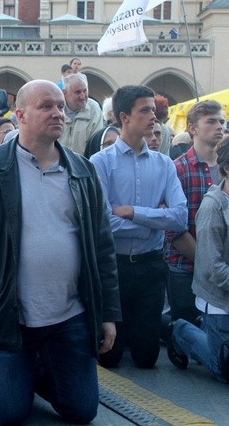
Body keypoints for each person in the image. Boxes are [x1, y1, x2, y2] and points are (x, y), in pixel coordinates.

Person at [0, 79, 120, 425]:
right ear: (20, 115)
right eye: (46, 106)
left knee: (82, 410)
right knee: (11, 414)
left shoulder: (83, 171)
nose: (58, 112)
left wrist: (107, 314)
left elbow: (102, 249)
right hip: (10, 315)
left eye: (60, 106)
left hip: (69, 315)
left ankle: (26, 375)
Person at [90, 85, 187, 369]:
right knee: (109, 357)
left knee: (147, 358)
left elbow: (180, 218)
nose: (153, 117)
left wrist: (134, 212)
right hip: (113, 267)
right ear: (124, 117)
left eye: (154, 111)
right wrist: (154, 221)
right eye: (144, 110)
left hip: (150, 267)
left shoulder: (164, 164)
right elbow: (105, 222)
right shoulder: (100, 162)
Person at [168, 135, 229, 384]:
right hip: (219, 298)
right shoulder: (213, 206)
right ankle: (181, 331)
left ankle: (209, 332)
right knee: (223, 370)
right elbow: (213, 266)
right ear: (226, 167)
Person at [165, 100, 226, 327]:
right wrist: (206, 262)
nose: (219, 126)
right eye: (211, 121)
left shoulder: (226, 170)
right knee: (186, 329)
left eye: (221, 121)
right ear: (192, 128)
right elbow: (173, 227)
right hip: (185, 267)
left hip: (222, 270)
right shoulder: (177, 168)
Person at [60, 73, 103, 155]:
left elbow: (96, 144)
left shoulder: (94, 109)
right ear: (65, 93)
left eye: (85, 91)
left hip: (84, 163)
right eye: (78, 92)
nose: (82, 96)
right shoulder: (56, 109)